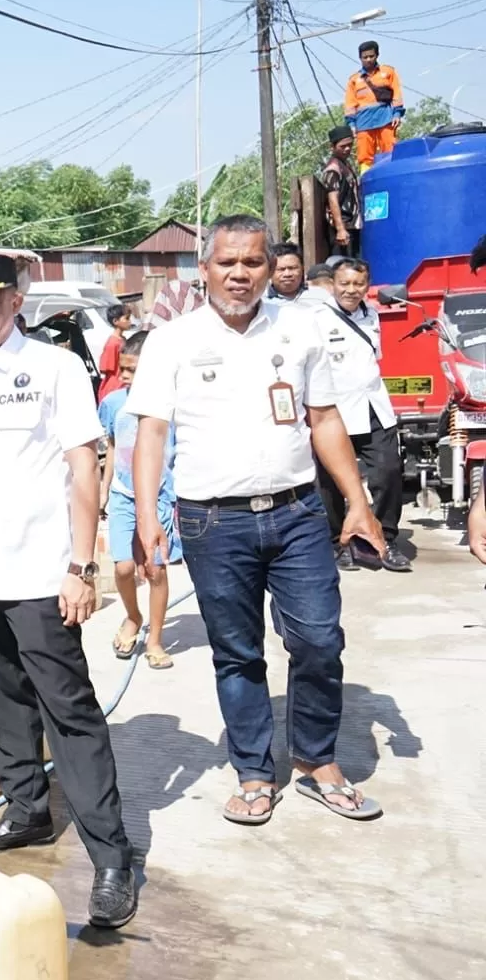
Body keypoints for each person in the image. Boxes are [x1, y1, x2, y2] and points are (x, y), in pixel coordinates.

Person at [126, 214, 387, 826]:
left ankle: (317, 761)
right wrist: (146, 517)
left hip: (297, 514)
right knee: (237, 652)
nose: (239, 274)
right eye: (227, 263)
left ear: (270, 268)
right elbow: (151, 434)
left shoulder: (300, 331)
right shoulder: (172, 340)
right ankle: (252, 770)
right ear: (204, 269)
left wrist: (357, 501)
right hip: (212, 523)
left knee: (320, 640)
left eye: (252, 262)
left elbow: (324, 420)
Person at [0, 253, 137, 930]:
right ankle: (27, 810)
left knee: (67, 711)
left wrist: (82, 565)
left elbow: (84, 462)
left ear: (16, 302)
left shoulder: (53, 367)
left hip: (42, 574)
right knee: (2, 704)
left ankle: (112, 856)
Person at [313, 260, 410, 571]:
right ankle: (336, 544)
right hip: (335, 411)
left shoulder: (372, 315)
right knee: (329, 481)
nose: (351, 290)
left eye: (358, 284)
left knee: (389, 472)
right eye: (345, 284)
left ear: (367, 287)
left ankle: (385, 539)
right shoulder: (316, 318)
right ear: (333, 284)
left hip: (373, 408)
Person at [98, 331, 178, 670]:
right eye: (123, 369)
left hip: (160, 495)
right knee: (124, 566)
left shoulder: (172, 404)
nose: (125, 377)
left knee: (155, 569)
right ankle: (132, 616)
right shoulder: (114, 403)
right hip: (122, 495)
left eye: (133, 370)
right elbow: (114, 446)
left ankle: (156, 638)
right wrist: (104, 489)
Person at [344, 40, 404, 170]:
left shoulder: (388, 72)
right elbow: (350, 104)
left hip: (386, 118)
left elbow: (397, 94)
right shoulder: (354, 80)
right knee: (364, 156)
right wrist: (351, 125)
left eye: (371, 56)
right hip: (364, 122)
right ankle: (367, 180)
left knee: (390, 151)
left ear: (377, 55)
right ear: (360, 58)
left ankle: (392, 174)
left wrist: (397, 113)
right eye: (365, 57)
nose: (368, 59)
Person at [323, 125, 363, 257]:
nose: (347, 149)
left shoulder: (345, 164)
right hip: (344, 227)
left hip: (352, 224)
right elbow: (332, 198)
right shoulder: (333, 169)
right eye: (342, 146)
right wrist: (340, 229)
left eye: (350, 145)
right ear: (332, 147)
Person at [94, 303, 135, 402]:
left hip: (122, 385)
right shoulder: (112, 344)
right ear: (115, 321)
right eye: (126, 318)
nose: (130, 321)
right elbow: (106, 368)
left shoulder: (122, 340)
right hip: (114, 388)